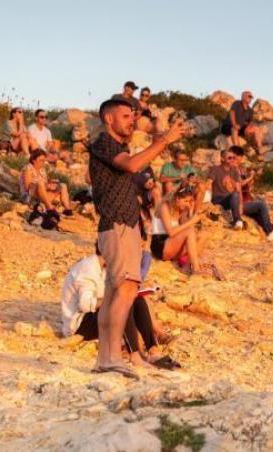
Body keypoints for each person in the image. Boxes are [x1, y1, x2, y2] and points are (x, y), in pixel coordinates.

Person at [88, 97, 184, 378]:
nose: (132, 121)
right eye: (126, 116)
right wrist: (164, 140)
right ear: (109, 119)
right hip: (118, 225)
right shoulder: (103, 142)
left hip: (122, 226)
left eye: (133, 116)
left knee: (114, 293)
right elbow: (131, 165)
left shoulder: (115, 146)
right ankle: (111, 358)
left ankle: (106, 358)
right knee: (127, 289)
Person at [60, 246, 177, 368]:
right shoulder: (87, 269)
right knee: (122, 305)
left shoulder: (106, 267)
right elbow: (85, 304)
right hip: (79, 324)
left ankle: (153, 351)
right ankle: (135, 356)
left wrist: (138, 288)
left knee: (137, 299)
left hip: (96, 315)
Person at [209, 149, 273, 241]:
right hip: (220, 200)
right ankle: (237, 220)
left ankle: (270, 232)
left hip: (234, 201)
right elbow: (208, 184)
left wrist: (240, 206)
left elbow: (239, 190)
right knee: (234, 195)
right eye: (229, 158)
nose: (232, 160)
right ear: (222, 159)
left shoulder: (234, 171)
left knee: (261, 205)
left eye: (233, 158)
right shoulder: (215, 169)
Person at [150, 185, 205, 273]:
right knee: (189, 232)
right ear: (177, 199)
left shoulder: (181, 208)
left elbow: (189, 232)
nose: (187, 203)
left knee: (203, 235)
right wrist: (191, 221)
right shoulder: (164, 206)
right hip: (161, 246)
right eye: (186, 201)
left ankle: (186, 263)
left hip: (172, 244)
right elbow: (171, 232)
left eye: (189, 201)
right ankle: (196, 269)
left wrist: (190, 212)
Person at [20, 149, 73, 217]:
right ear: (34, 160)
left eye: (44, 160)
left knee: (63, 185)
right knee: (40, 183)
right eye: (41, 160)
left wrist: (51, 183)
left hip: (41, 193)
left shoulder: (42, 170)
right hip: (30, 196)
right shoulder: (28, 169)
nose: (43, 163)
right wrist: (44, 185)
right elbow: (28, 187)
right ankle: (49, 207)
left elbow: (45, 183)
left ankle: (67, 209)